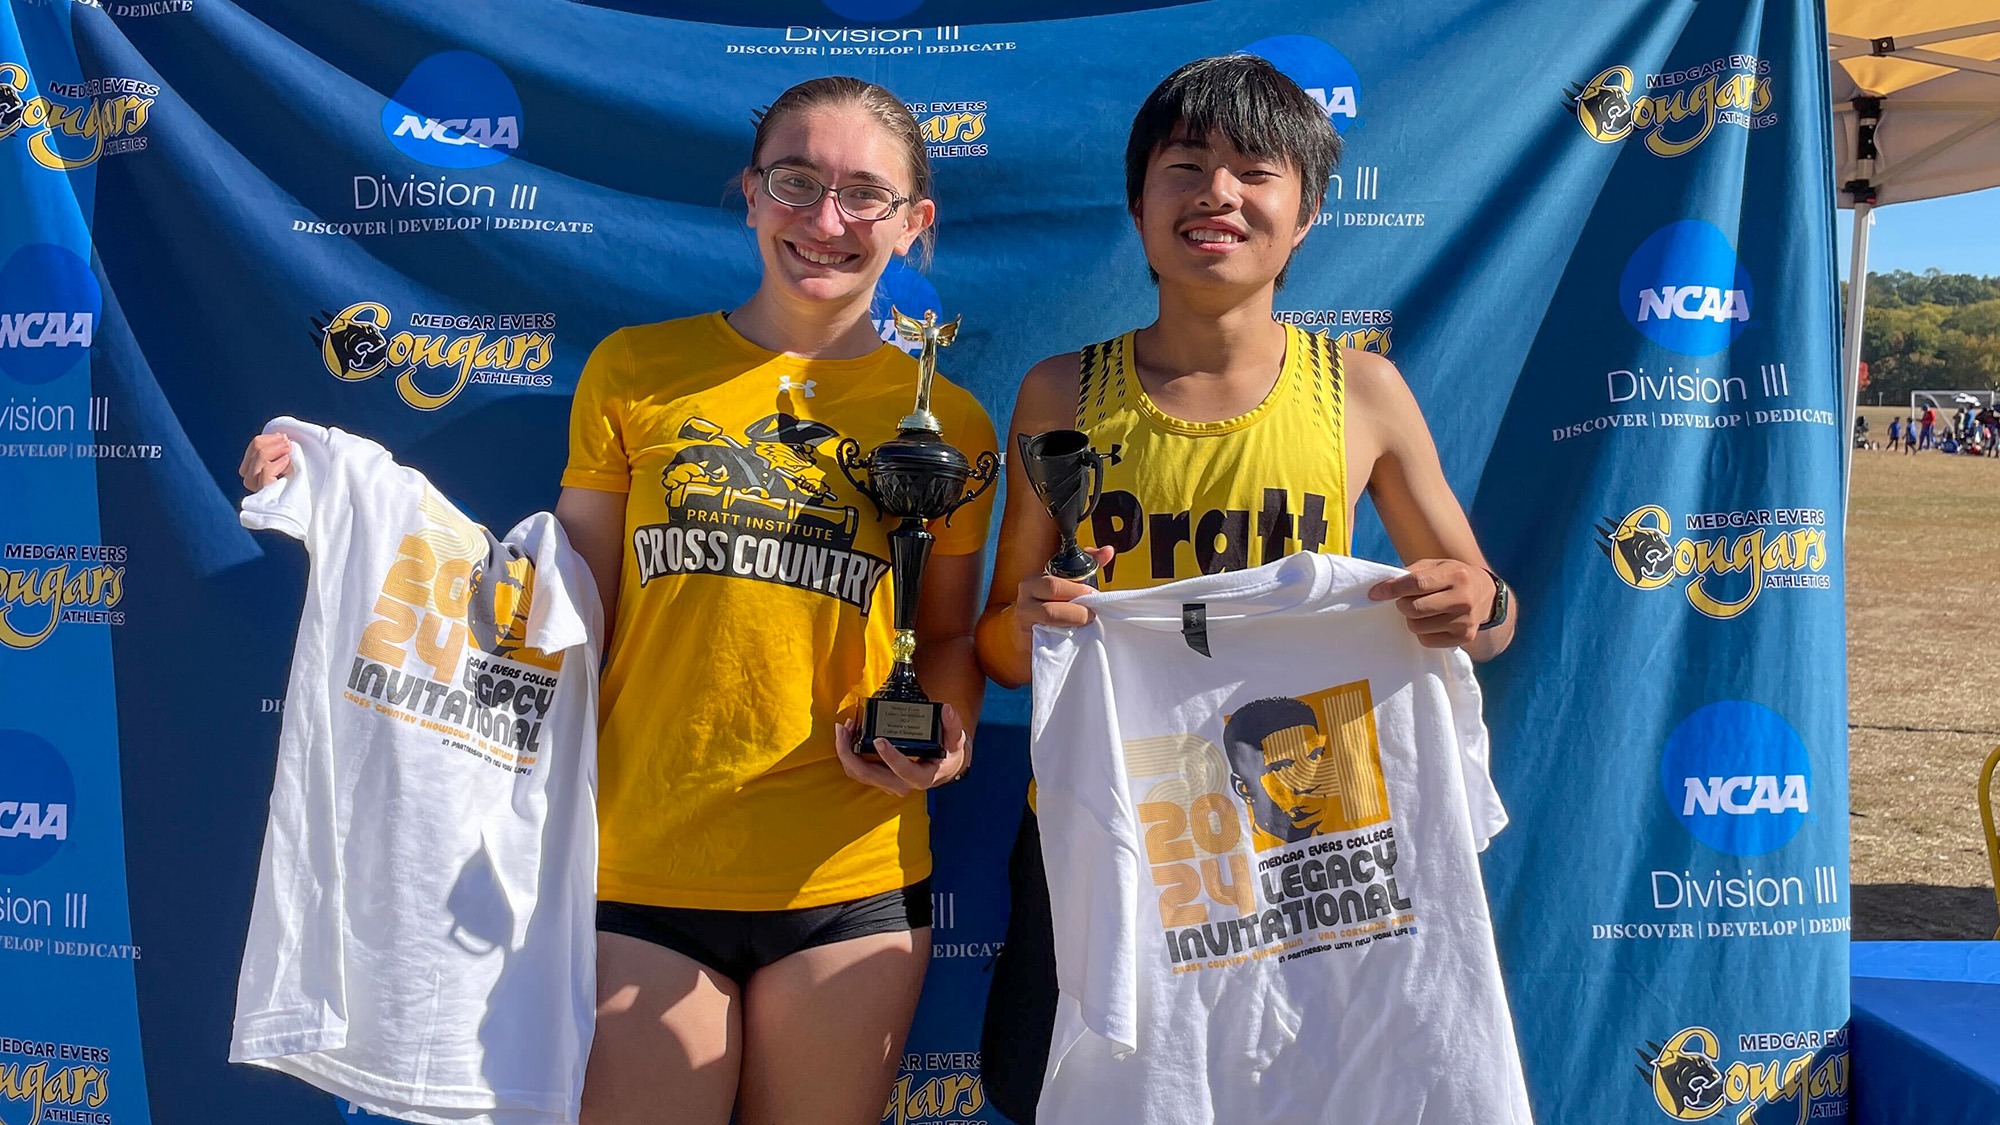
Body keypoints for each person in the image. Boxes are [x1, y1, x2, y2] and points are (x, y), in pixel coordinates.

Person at [241, 76, 998, 1125]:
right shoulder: (638, 374)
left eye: (864, 195)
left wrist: (943, 730)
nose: (825, 221)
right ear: (749, 193)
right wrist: (346, 492)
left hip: (850, 876)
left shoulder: (948, 422)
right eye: (795, 182)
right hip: (636, 871)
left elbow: (948, 635)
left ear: (914, 224)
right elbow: (550, 600)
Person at [970, 54, 1517, 1122]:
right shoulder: (1057, 393)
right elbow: (994, 649)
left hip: (1307, 835)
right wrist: (1031, 625)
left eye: (1253, 170)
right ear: (1137, 203)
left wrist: (1473, 606)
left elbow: (1488, 617)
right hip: (1116, 824)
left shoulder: (1360, 391)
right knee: (1056, 1086)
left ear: (1306, 212)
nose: (1216, 193)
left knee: (1310, 1091)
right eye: (1184, 166)